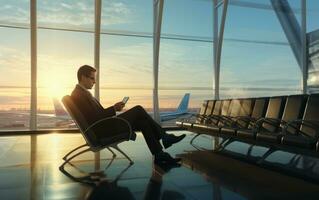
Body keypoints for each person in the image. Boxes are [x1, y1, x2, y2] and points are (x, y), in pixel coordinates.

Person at [71, 65, 185, 165]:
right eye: (92, 78)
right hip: (104, 130)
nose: (94, 81)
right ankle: (165, 137)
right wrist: (114, 109)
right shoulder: (79, 95)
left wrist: (113, 108)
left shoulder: (82, 93)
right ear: (83, 77)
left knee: (143, 122)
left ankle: (159, 154)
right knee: (138, 109)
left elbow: (96, 115)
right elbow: (94, 119)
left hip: (104, 126)